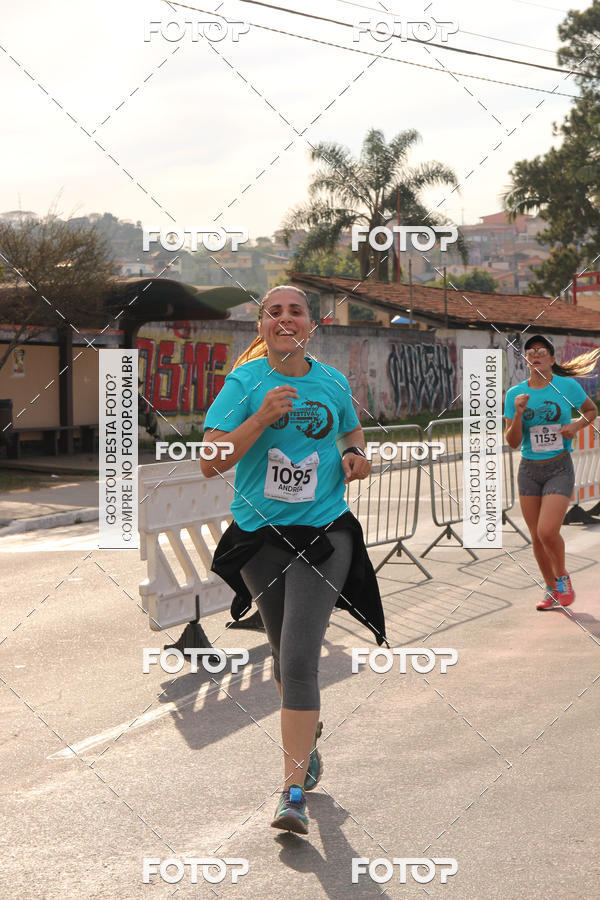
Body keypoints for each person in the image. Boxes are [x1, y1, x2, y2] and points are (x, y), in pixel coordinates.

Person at [200, 284, 387, 835]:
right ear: (261, 326)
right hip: (261, 537)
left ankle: (292, 791)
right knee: (283, 660)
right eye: (274, 312)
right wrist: (258, 419)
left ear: (311, 324)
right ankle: (308, 741)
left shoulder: (330, 382)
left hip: (325, 534)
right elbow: (209, 462)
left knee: (301, 661)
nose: (285, 318)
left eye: (296, 311)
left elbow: (351, 430)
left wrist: (355, 455)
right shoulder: (245, 383)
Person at [504, 334, 599, 610]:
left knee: (547, 531)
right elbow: (512, 441)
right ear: (526, 360)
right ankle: (552, 589)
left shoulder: (566, 386)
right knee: (535, 536)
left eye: (542, 351)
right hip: (529, 469)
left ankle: (563, 578)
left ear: (552, 359)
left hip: (559, 466)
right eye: (531, 352)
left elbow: (590, 411)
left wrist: (575, 428)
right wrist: (519, 413)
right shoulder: (515, 394)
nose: (536, 355)